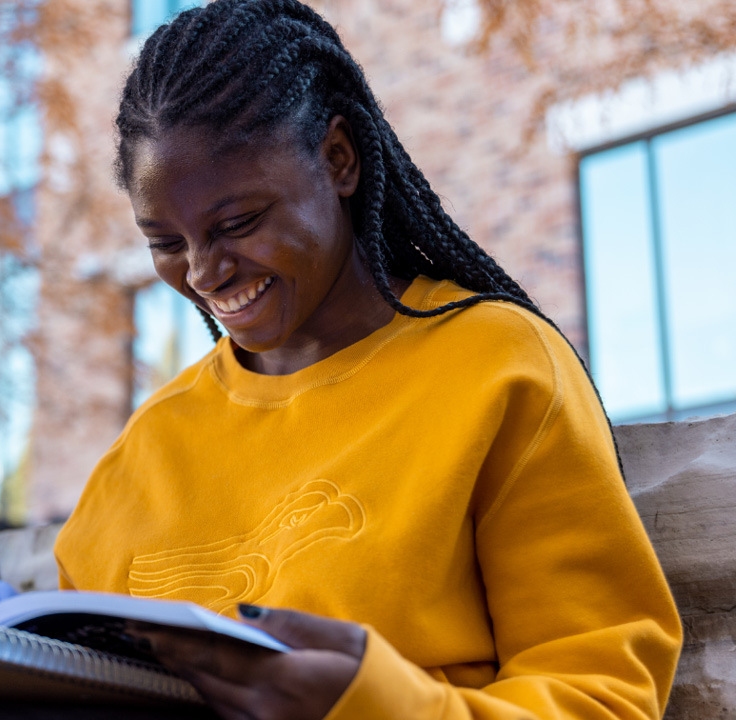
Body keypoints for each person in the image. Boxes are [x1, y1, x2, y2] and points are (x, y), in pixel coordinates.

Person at [52, 0, 683, 718]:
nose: (202, 272)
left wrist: (377, 702)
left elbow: (605, 697)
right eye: (165, 242)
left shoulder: (498, 370)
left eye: (238, 224)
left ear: (339, 158)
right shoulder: (143, 454)